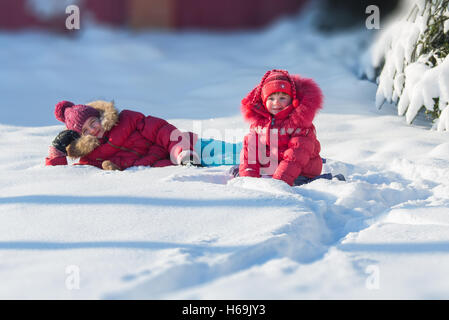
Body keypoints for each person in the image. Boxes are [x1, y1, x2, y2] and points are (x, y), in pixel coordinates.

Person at [45, 100, 199, 170]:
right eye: (85, 131)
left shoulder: (127, 120)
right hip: (160, 170)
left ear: (100, 117)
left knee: (217, 156)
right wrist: (56, 153)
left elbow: (163, 131)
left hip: (187, 148)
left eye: (92, 123)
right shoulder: (91, 157)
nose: (92, 130)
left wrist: (182, 153)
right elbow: (69, 179)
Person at [237, 69, 326, 186]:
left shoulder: (299, 124)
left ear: (292, 100)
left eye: (282, 98)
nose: (276, 103)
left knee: (299, 182)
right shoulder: (260, 124)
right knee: (241, 167)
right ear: (263, 101)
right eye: (271, 98)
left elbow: (296, 156)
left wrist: (279, 182)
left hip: (299, 171)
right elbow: (251, 151)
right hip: (272, 169)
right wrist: (249, 180)